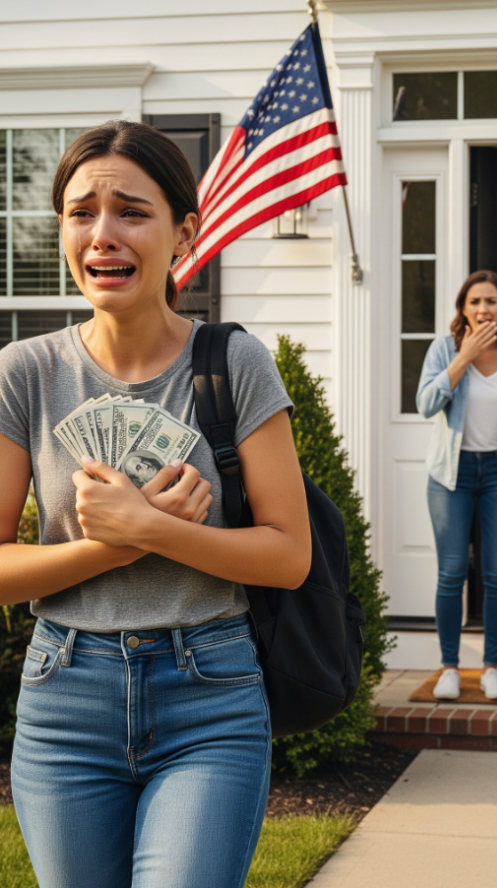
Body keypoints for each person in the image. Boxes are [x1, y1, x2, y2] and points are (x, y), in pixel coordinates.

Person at [0, 120, 311, 888]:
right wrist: (122, 543)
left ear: (183, 234)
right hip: (63, 696)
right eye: (81, 212)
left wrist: (143, 526)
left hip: (208, 695)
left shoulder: (233, 363)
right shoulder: (24, 372)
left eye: (132, 212)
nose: (103, 234)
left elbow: (288, 555)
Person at [417, 270, 497, 701]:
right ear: (463, 308)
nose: (483, 309)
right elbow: (425, 404)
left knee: (495, 574)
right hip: (450, 473)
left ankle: (491, 666)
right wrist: (462, 358)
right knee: (452, 572)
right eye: (474, 302)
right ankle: (449, 667)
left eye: (491, 301)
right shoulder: (444, 348)